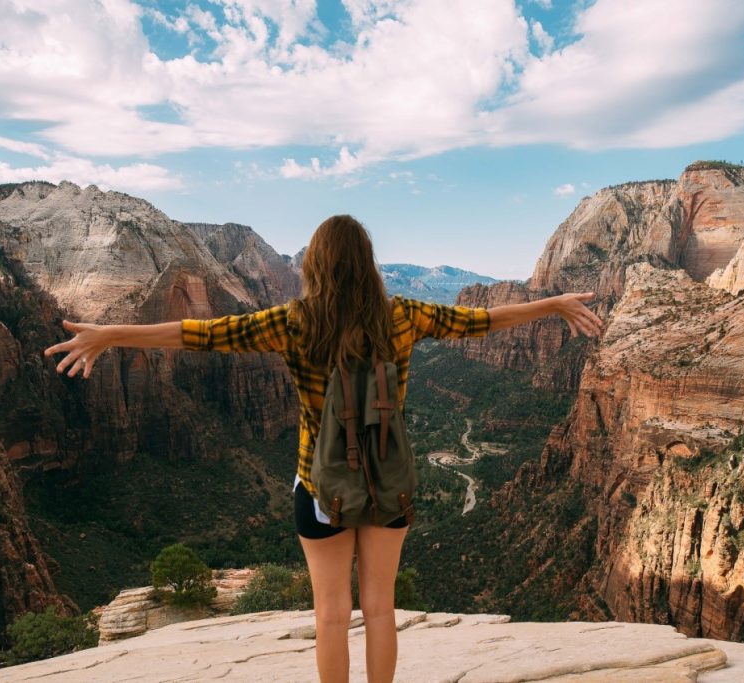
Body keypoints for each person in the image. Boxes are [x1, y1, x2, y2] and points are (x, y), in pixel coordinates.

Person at [44, 214, 604, 682]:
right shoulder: (404, 315)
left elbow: (202, 334)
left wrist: (113, 334)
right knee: (381, 610)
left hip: (319, 488)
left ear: (314, 266)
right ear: (367, 263)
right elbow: (480, 322)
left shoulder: (295, 322)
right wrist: (549, 305)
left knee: (332, 615)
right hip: (390, 485)